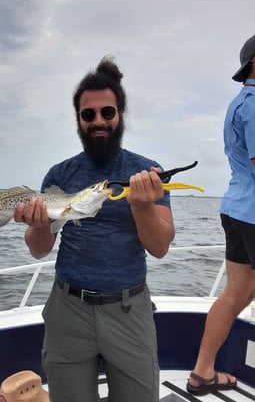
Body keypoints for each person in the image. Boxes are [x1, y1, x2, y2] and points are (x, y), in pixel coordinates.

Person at [14, 56, 175, 402]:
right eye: (89, 114)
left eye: (107, 112)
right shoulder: (59, 175)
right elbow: (39, 249)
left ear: (120, 115)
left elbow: (160, 247)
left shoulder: (147, 173)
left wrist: (142, 204)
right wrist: (40, 225)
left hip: (129, 310)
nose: (98, 121)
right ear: (78, 119)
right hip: (68, 311)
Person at [187, 35, 255, 396]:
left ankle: (202, 373)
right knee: (238, 292)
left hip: (236, 208)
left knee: (237, 291)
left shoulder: (238, 103)